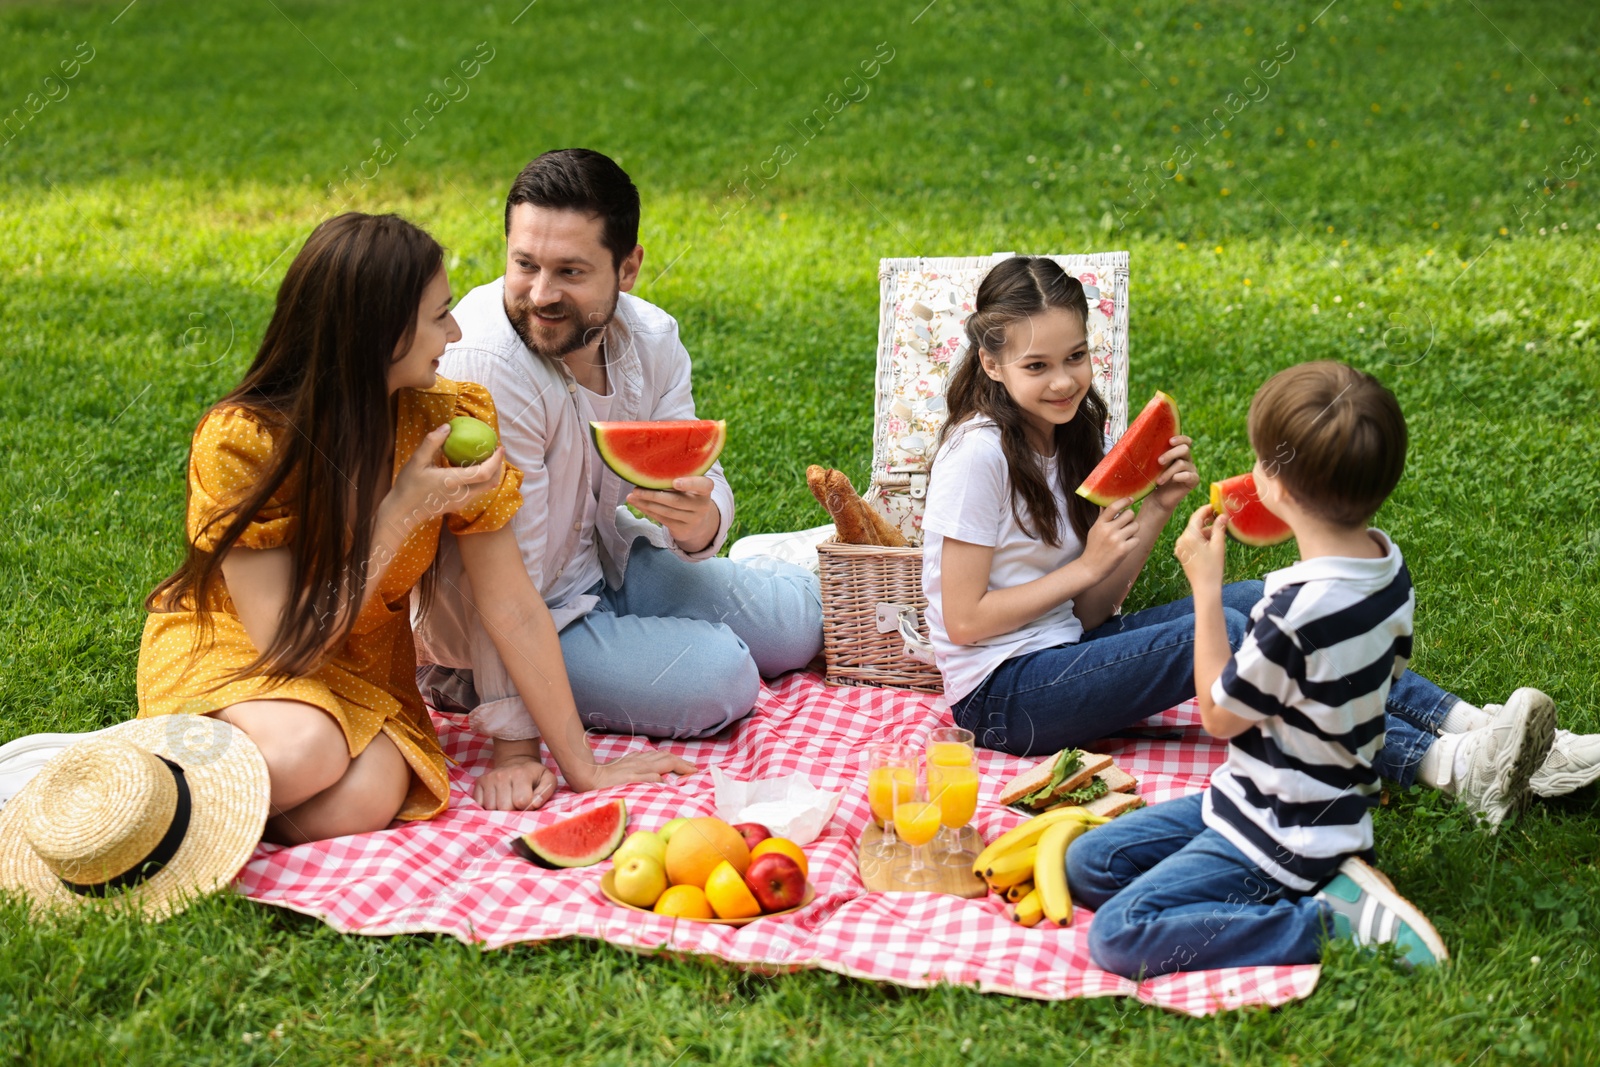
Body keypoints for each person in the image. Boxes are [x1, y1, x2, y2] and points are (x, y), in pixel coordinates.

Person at [921, 256, 1595, 829]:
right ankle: (1449, 770)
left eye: (1076, 356)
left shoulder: (1069, 432)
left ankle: (1489, 733)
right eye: (1037, 365)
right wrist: (1086, 567)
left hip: (1066, 649)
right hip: (1002, 699)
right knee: (1242, 633)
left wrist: (1157, 507)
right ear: (992, 361)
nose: (1065, 380)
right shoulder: (976, 458)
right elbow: (965, 619)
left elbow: (1091, 614)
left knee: (1268, 599)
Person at [135, 213, 692, 843]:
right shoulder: (244, 442)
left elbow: (511, 605)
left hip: (362, 667)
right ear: (380, 332)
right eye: (439, 315)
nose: (455, 333)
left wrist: (584, 769)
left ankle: (187, 810)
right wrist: (401, 513)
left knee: (367, 798)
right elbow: (285, 644)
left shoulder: (450, 421)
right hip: (248, 652)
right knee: (310, 752)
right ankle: (124, 801)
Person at [414, 149, 822, 806]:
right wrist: (514, 743)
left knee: (799, 621)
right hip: (510, 628)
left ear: (628, 267)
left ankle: (754, 562)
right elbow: (503, 589)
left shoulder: (653, 338)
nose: (541, 294)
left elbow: (697, 471)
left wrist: (705, 519)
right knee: (723, 679)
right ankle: (452, 684)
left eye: (570, 271)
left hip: (610, 564)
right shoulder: (488, 366)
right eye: (525, 265)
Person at [1068, 361, 1450, 975]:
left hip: (1281, 832)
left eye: (1263, 462)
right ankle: (1325, 883)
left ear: (1281, 490)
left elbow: (1218, 714)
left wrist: (1206, 587)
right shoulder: (1387, 568)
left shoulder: (1295, 613)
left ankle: (1327, 923)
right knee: (1087, 864)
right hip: (1281, 802)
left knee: (1118, 935)